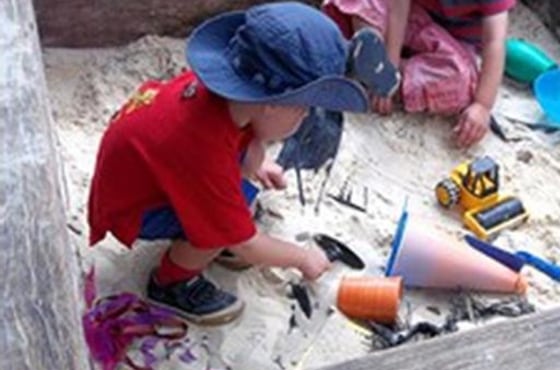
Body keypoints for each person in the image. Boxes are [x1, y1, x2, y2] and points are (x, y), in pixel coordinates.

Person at [87, 2, 371, 325]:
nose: (306, 115)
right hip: (135, 207)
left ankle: (202, 242)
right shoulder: (203, 150)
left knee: (241, 187)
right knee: (223, 231)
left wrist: (254, 154)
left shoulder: (224, 96)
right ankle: (171, 284)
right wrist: (302, 257)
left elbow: (243, 136)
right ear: (272, 107)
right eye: (303, 108)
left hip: (154, 171)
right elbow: (247, 244)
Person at [323, 0, 515, 147]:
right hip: (403, 23)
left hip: (445, 44)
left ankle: (392, 77)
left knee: (463, 81)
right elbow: (398, 9)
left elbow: (494, 42)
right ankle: (368, 50)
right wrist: (389, 64)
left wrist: (482, 105)